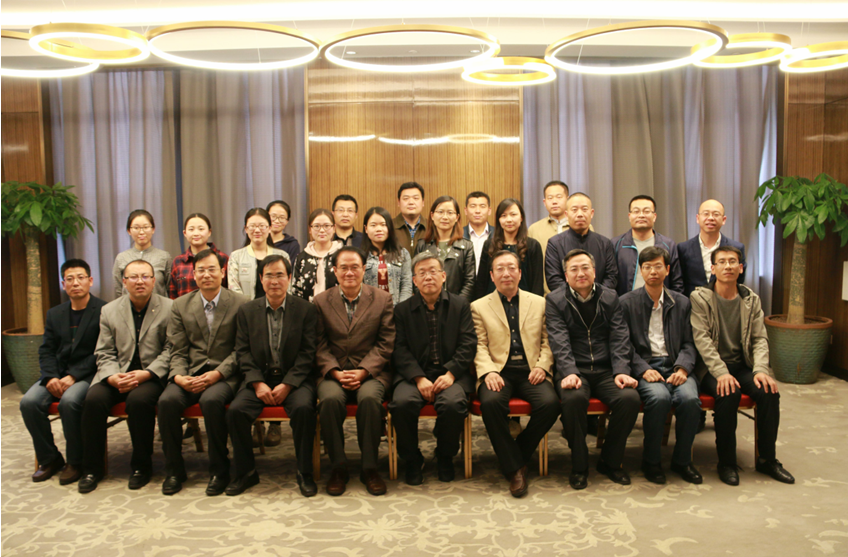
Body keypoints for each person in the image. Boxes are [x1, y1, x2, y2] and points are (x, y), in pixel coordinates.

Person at [690, 245, 794, 486]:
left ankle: (767, 459)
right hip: (711, 368)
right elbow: (702, 339)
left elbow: (759, 338)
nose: (728, 266)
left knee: (768, 391)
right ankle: (727, 463)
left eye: (732, 261)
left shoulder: (751, 299)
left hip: (742, 364)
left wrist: (761, 370)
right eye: (722, 262)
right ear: (713, 268)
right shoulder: (700, 298)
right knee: (729, 392)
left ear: (741, 267)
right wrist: (721, 373)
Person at [227, 254, 320, 497]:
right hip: (259, 379)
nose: (274, 281)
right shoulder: (247, 311)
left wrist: (288, 384)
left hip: (295, 380)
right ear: (261, 278)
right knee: (236, 411)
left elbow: (308, 353)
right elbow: (242, 352)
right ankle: (246, 472)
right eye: (269, 275)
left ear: (289, 278)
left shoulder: (306, 310)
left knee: (304, 409)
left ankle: (304, 472)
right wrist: (257, 383)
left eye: (280, 275)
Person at [157, 249, 249, 496]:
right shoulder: (180, 305)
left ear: (222, 272)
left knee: (211, 400)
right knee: (166, 401)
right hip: (190, 372)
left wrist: (218, 374)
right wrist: (178, 377)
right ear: (194, 274)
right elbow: (177, 349)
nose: (206, 275)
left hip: (225, 375)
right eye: (201, 270)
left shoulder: (241, 303)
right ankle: (174, 470)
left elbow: (242, 350)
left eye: (212, 269)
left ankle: (219, 470)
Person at [546, 249, 639, 489]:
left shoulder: (610, 297)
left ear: (594, 272)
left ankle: (610, 460)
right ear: (566, 275)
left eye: (585, 268)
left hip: (606, 369)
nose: (581, 273)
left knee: (629, 399)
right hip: (574, 369)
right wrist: (569, 372)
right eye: (574, 269)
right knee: (573, 399)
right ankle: (579, 465)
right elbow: (559, 340)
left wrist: (621, 370)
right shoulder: (555, 300)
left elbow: (620, 336)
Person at [78, 260, 172, 493]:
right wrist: (112, 377)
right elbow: (104, 351)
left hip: (151, 374)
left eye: (145, 276)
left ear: (154, 280)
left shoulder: (170, 307)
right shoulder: (110, 310)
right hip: (117, 373)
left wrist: (147, 374)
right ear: (124, 282)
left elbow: (171, 349)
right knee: (93, 399)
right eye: (133, 277)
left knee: (138, 401)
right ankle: (92, 469)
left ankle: (141, 466)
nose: (139, 281)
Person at [472, 250, 559, 497]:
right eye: (500, 269)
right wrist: (488, 371)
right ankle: (516, 467)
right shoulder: (478, 306)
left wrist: (542, 366)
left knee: (551, 404)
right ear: (491, 275)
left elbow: (549, 341)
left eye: (511, 268)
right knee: (490, 403)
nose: (506, 273)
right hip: (499, 371)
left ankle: (513, 455)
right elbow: (478, 345)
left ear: (520, 273)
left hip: (532, 370)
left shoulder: (540, 302)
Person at [313, 247, 395, 496]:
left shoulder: (382, 299)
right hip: (333, 372)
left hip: (371, 372)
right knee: (329, 400)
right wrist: (334, 371)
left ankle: (370, 468)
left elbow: (386, 342)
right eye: (344, 268)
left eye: (355, 267)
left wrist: (364, 371)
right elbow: (318, 344)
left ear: (364, 269)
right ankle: (338, 467)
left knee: (370, 399)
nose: (349, 273)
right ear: (335, 271)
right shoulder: (321, 301)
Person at [390, 252, 477, 484]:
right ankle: (412, 458)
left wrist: (451, 373)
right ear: (414, 280)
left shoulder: (460, 305)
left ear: (443, 276)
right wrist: (418, 378)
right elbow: (399, 349)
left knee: (453, 404)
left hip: (451, 374)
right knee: (401, 403)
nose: (428, 277)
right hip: (413, 376)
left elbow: (468, 343)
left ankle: (445, 456)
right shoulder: (402, 310)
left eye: (433, 271)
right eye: (422, 273)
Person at [619, 247, 702, 485]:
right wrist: (643, 369)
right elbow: (623, 344)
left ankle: (682, 461)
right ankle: (652, 461)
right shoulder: (626, 303)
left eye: (658, 266)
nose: (653, 271)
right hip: (646, 366)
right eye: (647, 267)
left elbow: (690, 342)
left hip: (676, 365)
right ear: (641, 271)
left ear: (667, 269)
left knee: (689, 400)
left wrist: (683, 368)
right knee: (659, 398)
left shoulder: (682, 303)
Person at [21, 259, 106, 485]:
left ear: (90, 281)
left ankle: (75, 461)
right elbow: (47, 349)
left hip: (88, 374)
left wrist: (74, 375)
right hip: (57, 374)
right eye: (70, 279)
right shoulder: (55, 313)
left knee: (69, 402)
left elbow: (103, 350)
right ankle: (50, 459)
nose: (75, 283)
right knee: (29, 402)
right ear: (63, 284)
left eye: (80, 278)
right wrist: (50, 376)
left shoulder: (104, 310)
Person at [545, 193, 618, 293]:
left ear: (591, 213)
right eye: (574, 210)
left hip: (600, 300)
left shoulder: (605, 243)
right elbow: (553, 279)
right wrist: (575, 297)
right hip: (566, 301)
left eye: (584, 209)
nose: (580, 214)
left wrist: (594, 296)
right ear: (566, 215)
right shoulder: (554, 244)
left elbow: (611, 276)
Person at [612, 195, 683, 295]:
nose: (641, 215)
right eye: (636, 211)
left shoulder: (668, 245)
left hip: (660, 303)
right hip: (625, 303)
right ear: (629, 216)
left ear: (654, 216)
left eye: (646, 211)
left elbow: (677, 282)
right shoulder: (616, 244)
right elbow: (611, 280)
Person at [475, 199, 544, 300]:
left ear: (521, 217)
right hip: (493, 302)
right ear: (498, 220)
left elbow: (537, 283)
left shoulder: (533, 245)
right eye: (503, 216)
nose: (508, 220)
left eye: (513, 214)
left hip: (524, 302)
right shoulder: (489, 245)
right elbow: (481, 282)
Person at [678, 199, 747, 297]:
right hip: (692, 303)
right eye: (706, 214)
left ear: (723, 220)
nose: (710, 218)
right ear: (698, 218)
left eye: (716, 214)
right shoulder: (683, 248)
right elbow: (679, 282)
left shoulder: (736, 248)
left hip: (724, 301)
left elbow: (739, 280)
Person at [414, 195, 476, 301]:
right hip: (426, 304)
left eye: (450, 213)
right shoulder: (422, 245)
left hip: (457, 305)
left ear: (457, 217)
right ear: (432, 215)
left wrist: (457, 305)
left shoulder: (466, 246)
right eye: (440, 212)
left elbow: (469, 282)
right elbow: (415, 278)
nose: (445, 217)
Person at [227, 208, 288, 301]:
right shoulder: (236, 257)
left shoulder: (282, 256)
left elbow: (287, 287)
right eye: (252, 226)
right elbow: (234, 290)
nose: (257, 230)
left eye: (262, 226)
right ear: (246, 229)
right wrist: (248, 307)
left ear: (269, 228)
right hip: (245, 308)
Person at [112, 209, 171, 299]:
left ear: (153, 229)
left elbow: (169, 288)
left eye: (146, 227)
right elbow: (119, 290)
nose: (141, 232)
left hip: (158, 306)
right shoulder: (121, 258)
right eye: (136, 228)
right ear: (129, 231)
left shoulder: (164, 257)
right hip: (128, 306)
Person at [169, 213, 229, 299]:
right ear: (185, 233)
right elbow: (173, 295)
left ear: (209, 232)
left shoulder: (223, 258)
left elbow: (229, 291)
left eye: (201, 229)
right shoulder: (178, 262)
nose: (196, 233)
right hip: (185, 307)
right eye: (191, 229)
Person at [289, 209, 343, 302]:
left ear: (334, 228)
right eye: (316, 226)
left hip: (337, 309)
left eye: (326, 226)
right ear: (310, 229)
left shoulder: (342, 255)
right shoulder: (302, 258)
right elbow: (296, 291)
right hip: (307, 309)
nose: (322, 230)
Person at [363, 206, 413, 305]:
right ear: (366, 229)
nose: (379, 229)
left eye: (383, 225)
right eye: (373, 225)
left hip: (397, 308)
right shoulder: (360, 256)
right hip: (369, 310)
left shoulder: (402, 254)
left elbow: (406, 285)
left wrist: (401, 310)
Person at [527, 181, 571, 293]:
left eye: (559, 197)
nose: (554, 201)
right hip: (545, 295)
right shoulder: (534, 229)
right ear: (544, 202)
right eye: (550, 198)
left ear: (567, 199)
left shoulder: (581, 227)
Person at [393, 182, 427, 258]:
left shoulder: (432, 227)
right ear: (398, 202)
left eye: (416, 198)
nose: (411, 202)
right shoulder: (388, 227)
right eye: (406, 198)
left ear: (423, 202)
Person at [463, 191, 492, 274]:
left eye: (482, 206)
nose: (478, 211)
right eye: (473, 206)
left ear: (489, 210)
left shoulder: (498, 234)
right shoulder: (458, 235)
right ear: (466, 210)